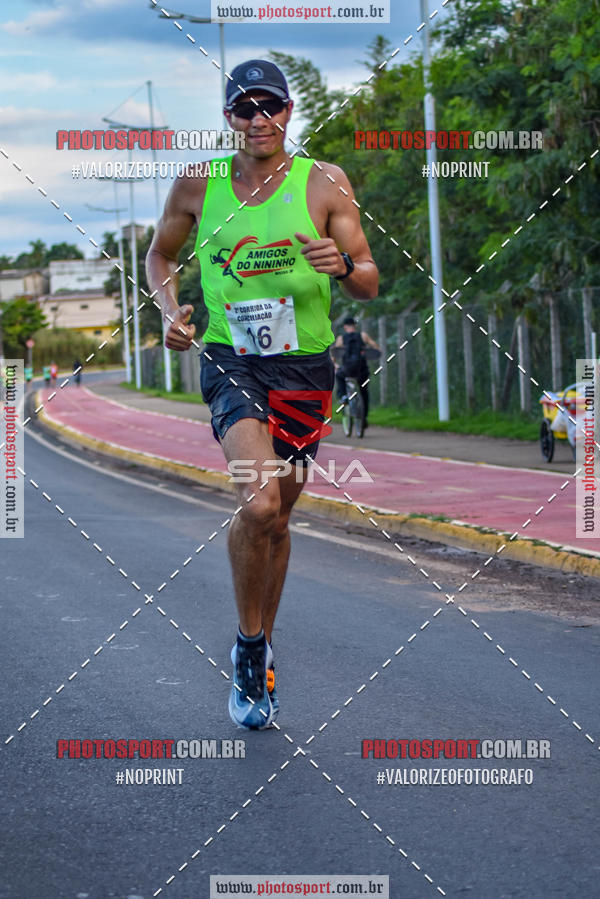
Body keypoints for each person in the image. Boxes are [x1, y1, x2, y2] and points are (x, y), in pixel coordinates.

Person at [146, 59, 378, 730]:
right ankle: (249, 647)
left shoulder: (325, 182)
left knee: (280, 521)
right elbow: (160, 254)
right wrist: (169, 310)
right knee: (260, 502)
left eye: (269, 106)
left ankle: (263, 645)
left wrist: (344, 265)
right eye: (244, 108)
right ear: (228, 117)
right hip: (232, 360)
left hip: (304, 369)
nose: (258, 119)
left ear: (288, 111)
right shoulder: (199, 183)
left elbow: (369, 279)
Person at [333, 317, 380, 428]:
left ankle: (343, 396)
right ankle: (364, 417)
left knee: (339, 375)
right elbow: (375, 347)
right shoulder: (363, 336)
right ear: (355, 325)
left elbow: (335, 354)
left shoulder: (341, 338)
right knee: (364, 391)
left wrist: (335, 365)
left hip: (347, 370)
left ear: (345, 326)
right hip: (362, 370)